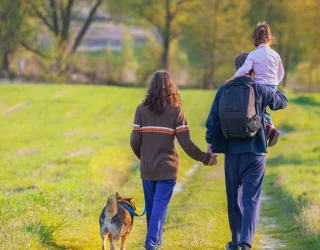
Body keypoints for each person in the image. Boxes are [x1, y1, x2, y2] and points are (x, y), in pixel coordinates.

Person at [206, 52, 288, 250]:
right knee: (251, 199)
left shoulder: (223, 89)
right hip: (256, 152)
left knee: (234, 199)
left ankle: (234, 242)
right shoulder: (259, 89)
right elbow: (282, 102)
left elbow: (212, 121)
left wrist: (211, 146)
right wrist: (271, 80)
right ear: (253, 68)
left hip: (232, 153)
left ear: (237, 68)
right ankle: (245, 243)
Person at [130, 70, 216, 250]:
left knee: (153, 207)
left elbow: (134, 141)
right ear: (171, 87)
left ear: (151, 87)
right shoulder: (176, 110)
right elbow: (186, 143)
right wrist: (205, 157)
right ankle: (152, 242)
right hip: (167, 168)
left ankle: (155, 241)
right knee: (159, 206)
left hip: (148, 168)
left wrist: (144, 158)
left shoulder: (141, 109)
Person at [228, 22, 284, 147]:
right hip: (273, 87)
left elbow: (244, 69)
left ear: (255, 39)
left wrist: (233, 78)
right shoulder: (276, 55)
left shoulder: (253, 54)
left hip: (258, 87)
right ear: (270, 38)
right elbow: (281, 73)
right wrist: (275, 83)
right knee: (263, 110)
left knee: (255, 111)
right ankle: (270, 128)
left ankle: (268, 129)